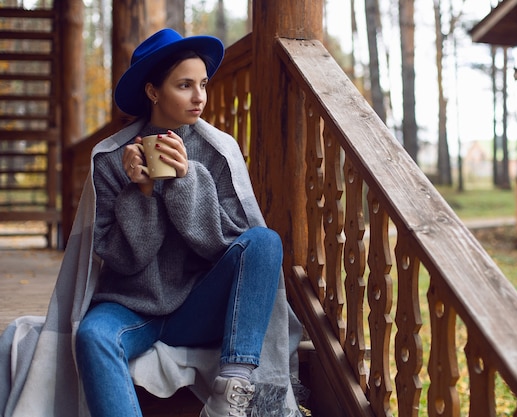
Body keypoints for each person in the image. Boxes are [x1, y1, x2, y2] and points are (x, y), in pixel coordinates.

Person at [0, 28, 302, 417]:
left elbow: (223, 246)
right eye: (184, 85)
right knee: (93, 335)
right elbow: (123, 261)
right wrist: (139, 194)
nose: (199, 97)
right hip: (132, 307)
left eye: (203, 84)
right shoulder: (110, 160)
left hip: (197, 305)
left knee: (265, 242)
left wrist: (187, 180)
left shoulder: (217, 151)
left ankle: (232, 390)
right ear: (153, 92)